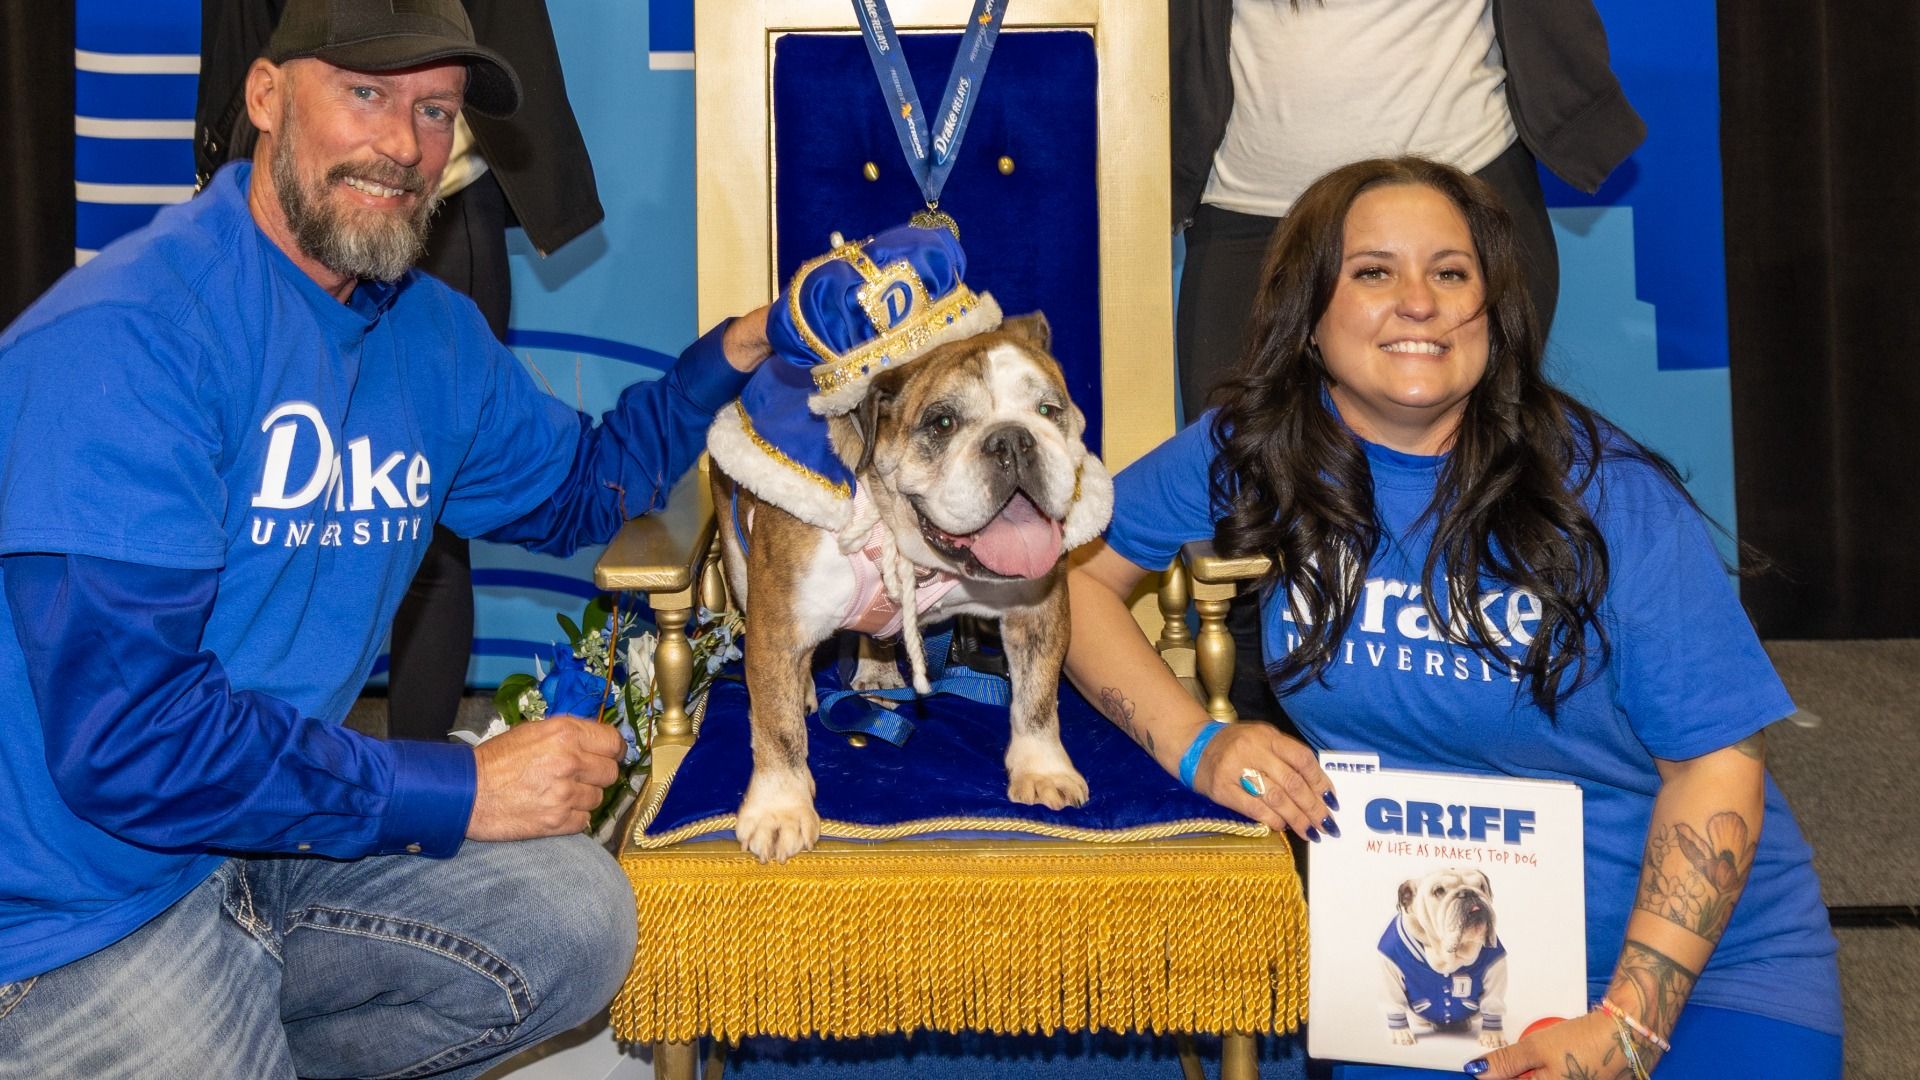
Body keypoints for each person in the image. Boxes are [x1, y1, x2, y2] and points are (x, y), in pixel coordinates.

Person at [0, 1, 774, 1075]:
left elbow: (585, 488)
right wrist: (460, 790)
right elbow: (133, 745)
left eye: (434, 111)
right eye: (365, 94)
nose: (403, 146)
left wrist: (738, 348)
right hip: (73, 913)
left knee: (574, 917)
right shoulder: (127, 337)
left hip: (262, 845)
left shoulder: (427, 335)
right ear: (265, 98)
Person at [1065, 158, 1841, 1078]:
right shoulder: (1257, 449)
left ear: (1493, 313)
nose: (1419, 302)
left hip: (1691, 977)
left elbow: (1717, 764)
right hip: (1419, 978)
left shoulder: (1607, 494)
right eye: (1373, 271)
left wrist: (1627, 1027)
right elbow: (1073, 579)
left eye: (1451, 272)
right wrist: (1199, 743)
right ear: (1310, 317)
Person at [1171, 0, 1647, 740]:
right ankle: (1266, 785)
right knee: (1247, 501)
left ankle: (1489, 760)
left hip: (1464, 188)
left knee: (1473, 488)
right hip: (1245, 210)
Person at [195, 0, 607, 743]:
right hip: (303, 201)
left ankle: (419, 788)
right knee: (267, 490)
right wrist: (224, 179)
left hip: (443, 206)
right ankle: (257, 775)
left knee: (428, 511)